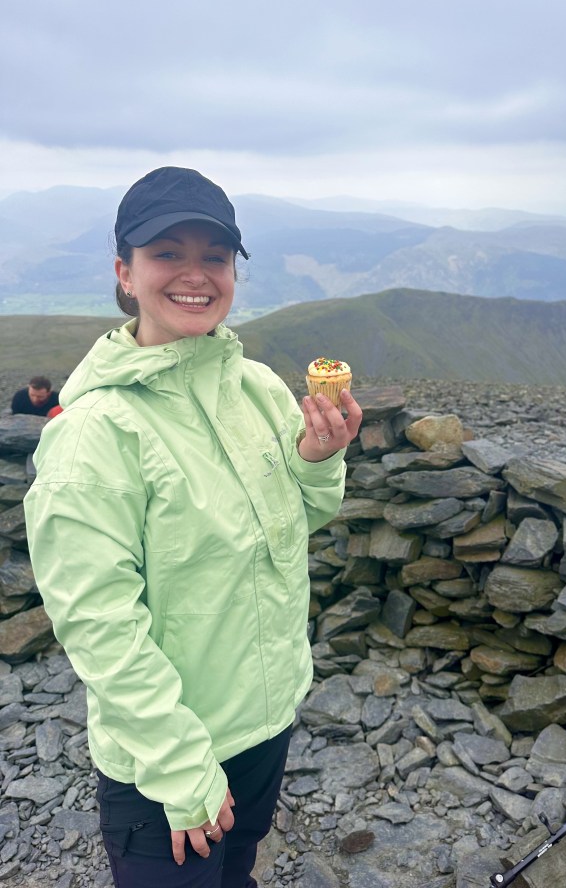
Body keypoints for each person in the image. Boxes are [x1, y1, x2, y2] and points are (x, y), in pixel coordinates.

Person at [24, 166, 363, 888]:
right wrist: (182, 768)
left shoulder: (258, 388)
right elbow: (99, 624)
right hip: (166, 756)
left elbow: (297, 523)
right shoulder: (94, 432)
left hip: (263, 721)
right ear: (125, 272)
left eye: (214, 256)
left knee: (237, 874)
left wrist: (317, 459)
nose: (196, 274)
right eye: (167, 253)